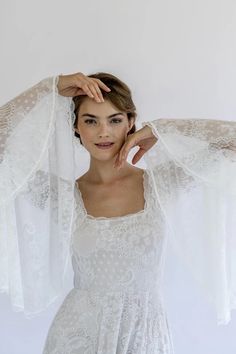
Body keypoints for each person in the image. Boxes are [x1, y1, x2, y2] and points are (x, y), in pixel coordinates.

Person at [0, 71, 236, 354]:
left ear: (130, 123)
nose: (103, 132)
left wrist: (162, 129)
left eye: (115, 120)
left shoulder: (160, 184)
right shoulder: (61, 197)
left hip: (144, 337)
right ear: (76, 127)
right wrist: (47, 88)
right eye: (90, 120)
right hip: (77, 338)